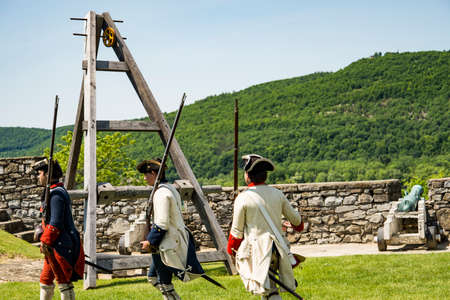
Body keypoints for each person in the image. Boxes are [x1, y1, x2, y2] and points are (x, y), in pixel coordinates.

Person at [227, 154, 304, 300]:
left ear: (248, 175)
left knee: (268, 291)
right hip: (278, 250)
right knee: (269, 291)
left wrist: (231, 250)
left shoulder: (243, 198)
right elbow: (298, 223)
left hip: (257, 251)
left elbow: (236, 234)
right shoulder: (277, 194)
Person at [138, 159, 204, 300]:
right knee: (153, 278)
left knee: (163, 284)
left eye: (146, 174)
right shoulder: (170, 188)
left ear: (154, 173)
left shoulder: (161, 193)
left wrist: (149, 242)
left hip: (165, 244)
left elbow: (162, 224)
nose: (144, 178)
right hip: (168, 242)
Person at [30, 159, 84, 300]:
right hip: (55, 244)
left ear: (48, 174)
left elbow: (56, 223)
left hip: (59, 245)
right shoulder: (53, 191)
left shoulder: (56, 194)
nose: (38, 176)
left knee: (64, 281)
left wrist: (45, 241)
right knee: (45, 279)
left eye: (40, 173)